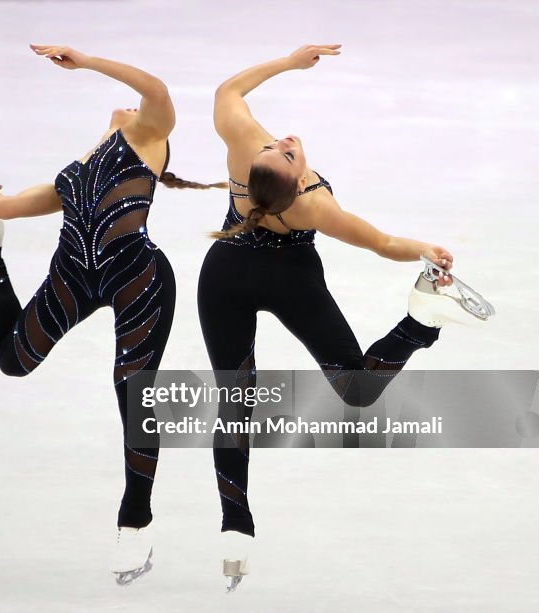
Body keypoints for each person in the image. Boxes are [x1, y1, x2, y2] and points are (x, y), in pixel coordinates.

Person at [201, 43, 488, 591]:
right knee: (354, 389)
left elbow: (226, 94)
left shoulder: (246, 153)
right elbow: (381, 243)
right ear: (293, 182)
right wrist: (427, 249)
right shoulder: (313, 206)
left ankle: (236, 527)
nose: (282, 142)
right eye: (283, 153)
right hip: (281, 279)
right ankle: (421, 319)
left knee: (237, 400)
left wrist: (287, 63)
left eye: (279, 147)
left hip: (225, 274)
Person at [0, 43, 222, 584]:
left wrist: (88, 62)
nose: (127, 106)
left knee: (131, 390)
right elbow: (3, 206)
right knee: (13, 360)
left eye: (133, 107)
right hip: (73, 275)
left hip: (137, 277)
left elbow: (157, 91)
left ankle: (134, 524)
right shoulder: (73, 177)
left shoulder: (147, 138)